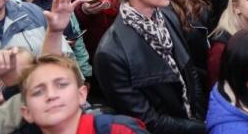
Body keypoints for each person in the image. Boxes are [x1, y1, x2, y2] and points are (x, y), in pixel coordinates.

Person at [93, 0, 205, 133]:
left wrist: (199, 118)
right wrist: (200, 129)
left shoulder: (168, 16)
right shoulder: (110, 53)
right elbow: (145, 120)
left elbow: (190, 72)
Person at [18, 54, 149, 134]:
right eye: (38, 92)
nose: (51, 95)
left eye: (62, 85)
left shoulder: (119, 130)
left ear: (81, 95)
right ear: (27, 113)